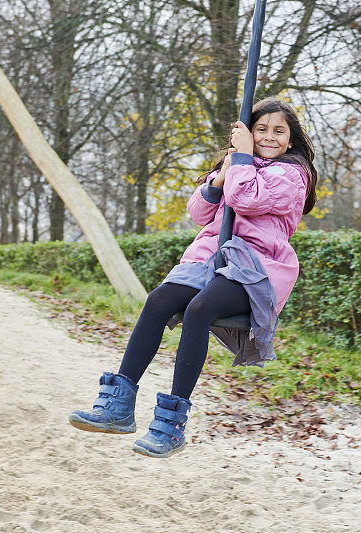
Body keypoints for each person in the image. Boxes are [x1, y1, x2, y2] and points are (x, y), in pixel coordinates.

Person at [69, 97, 319, 458]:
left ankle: (170, 426)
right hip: (213, 257)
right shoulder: (236, 164)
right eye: (260, 129)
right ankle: (117, 406)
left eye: (278, 131)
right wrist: (220, 173)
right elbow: (200, 212)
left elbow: (245, 199)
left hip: (256, 265)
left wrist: (242, 159)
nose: (269, 137)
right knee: (159, 300)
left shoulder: (291, 175)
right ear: (247, 133)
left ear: (291, 140)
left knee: (200, 309)